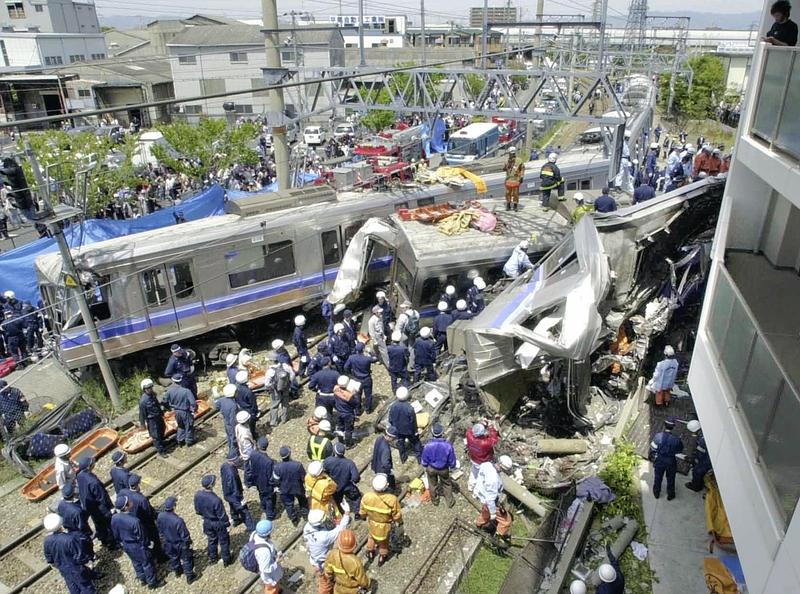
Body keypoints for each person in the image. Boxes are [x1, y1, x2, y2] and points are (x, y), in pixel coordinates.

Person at [111, 495, 160, 589]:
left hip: (126, 544)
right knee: (146, 563)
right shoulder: (135, 521)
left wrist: (121, 542)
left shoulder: (115, 518)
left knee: (135, 562)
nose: (130, 501)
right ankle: (152, 582)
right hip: (137, 546)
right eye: (128, 501)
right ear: (126, 507)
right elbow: (142, 535)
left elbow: (115, 533)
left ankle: (142, 578)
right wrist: (148, 544)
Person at [43, 513, 96, 594]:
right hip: (76, 568)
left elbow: (49, 558)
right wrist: (87, 562)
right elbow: (79, 556)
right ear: (60, 525)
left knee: (72, 586)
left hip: (63, 568)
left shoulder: (47, 541)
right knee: (86, 587)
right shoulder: (69, 539)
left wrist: (56, 564)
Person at [305, 508, 352, 594]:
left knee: (325, 580)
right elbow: (341, 529)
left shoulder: (307, 527)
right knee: (325, 584)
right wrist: (347, 513)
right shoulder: (324, 537)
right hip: (323, 564)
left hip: (314, 559)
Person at [360, 474, 403, 566]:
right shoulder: (392, 499)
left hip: (372, 522)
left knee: (371, 537)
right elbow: (396, 515)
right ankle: (382, 556)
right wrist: (399, 522)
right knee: (384, 541)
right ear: (386, 486)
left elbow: (362, 511)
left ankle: (370, 552)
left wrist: (363, 516)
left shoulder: (367, 497)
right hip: (385, 526)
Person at [76, 457, 116, 551]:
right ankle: (112, 543)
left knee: (98, 524)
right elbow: (102, 497)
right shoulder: (93, 482)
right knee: (108, 524)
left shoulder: (79, 475)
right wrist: (110, 507)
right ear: (90, 466)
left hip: (90, 506)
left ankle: (103, 540)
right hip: (100, 507)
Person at [119, 474, 162, 562]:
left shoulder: (123, 492)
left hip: (131, 522)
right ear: (137, 485)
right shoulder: (141, 499)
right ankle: (160, 557)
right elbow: (148, 513)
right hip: (145, 523)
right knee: (154, 539)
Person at [193, 474, 233, 566]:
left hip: (206, 521)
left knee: (211, 539)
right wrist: (227, 524)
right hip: (217, 523)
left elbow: (197, 510)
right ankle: (226, 559)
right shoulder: (216, 500)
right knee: (223, 541)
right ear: (211, 485)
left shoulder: (197, 495)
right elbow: (222, 515)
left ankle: (213, 558)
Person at [156, 496, 197, 584]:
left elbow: (159, 529)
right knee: (186, 559)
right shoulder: (178, 521)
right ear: (174, 507)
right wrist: (189, 543)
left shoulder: (160, 516)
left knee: (173, 557)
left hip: (168, 542)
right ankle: (190, 576)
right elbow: (185, 535)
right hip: (179, 543)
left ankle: (178, 571)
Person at [473, 455, 514, 540]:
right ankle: (498, 537)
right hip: (491, 502)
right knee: (506, 521)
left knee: (485, 514)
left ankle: (478, 525)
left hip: (483, 497)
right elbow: (490, 499)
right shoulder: (493, 480)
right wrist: (493, 514)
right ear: (501, 467)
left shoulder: (487, 464)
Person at [57, 483, 95, 565]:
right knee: (87, 546)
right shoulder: (77, 511)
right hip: (78, 532)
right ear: (73, 494)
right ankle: (90, 560)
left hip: (69, 529)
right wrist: (89, 534)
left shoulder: (61, 504)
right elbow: (82, 525)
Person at [421, 423, 456, 507]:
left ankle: (435, 501)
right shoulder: (448, 446)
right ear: (442, 433)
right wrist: (452, 466)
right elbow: (452, 461)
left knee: (432, 484)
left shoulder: (428, 446)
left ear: (432, 433)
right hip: (443, 468)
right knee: (447, 484)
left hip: (431, 468)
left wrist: (426, 465)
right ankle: (450, 502)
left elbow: (424, 461)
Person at [271, 446, 308, 526]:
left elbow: (276, 480)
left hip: (285, 490)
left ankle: (294, 520)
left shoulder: (277, 467)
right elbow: (304, 477)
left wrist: (279, 486)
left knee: (289, 505)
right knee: (302, 501)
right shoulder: (298, 465)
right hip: (298, 488)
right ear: (289, 454)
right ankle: (305, 516)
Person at [650, 417, 684, 500]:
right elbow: (679, 450)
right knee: (671, 478)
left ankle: (656, 493)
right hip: (671, 462)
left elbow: (653, 448)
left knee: (658, 477)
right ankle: (670, 495)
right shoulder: (676, 440)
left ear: (664, 425)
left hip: (659, 460)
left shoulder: (658, 436)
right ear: (673, 427)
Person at [324, 442, 362, 515]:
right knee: (356, 497)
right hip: (347, 486)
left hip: (335, 487)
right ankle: (357, 514)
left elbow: (325, 471)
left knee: (338, 501)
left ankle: (342, 514)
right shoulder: (349, 463)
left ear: (334, 452)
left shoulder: (328, 461)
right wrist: (353, 481)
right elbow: (356, 477)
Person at [220, 454, 255, 531]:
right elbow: (234, 488)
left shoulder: (224, 466)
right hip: (235, 496)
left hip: (227, 493)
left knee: (232, 506)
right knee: (244, 511)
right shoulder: (231, 474)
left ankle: (235, 519)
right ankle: (252, 528)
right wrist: (240, 499)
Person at [245, 437, 277, 520]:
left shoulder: (253, 454)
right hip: (266, 484)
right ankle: (270, 515)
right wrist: (274, 485)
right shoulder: (269, 462)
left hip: (257, 480)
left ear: (258, 445)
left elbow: (250, 468)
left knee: (261, 495)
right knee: (269, 498)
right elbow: (270, 476)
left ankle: (263, 507)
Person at [388, 387, 421, 464]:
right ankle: (419, 458)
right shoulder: (409, 408)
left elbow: (390, 419)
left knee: (401, 444)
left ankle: (403, 458)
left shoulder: (393, 406)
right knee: (416, 443)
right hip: (409, 430)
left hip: (398, 430)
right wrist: (415, 431)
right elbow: (413, 421)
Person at [344, 342, 378, 415]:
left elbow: (346, 367)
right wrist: (371, 352)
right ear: (363, 349)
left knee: (357, 395)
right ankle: (368, 409)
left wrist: (351, 375)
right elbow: (376, 359)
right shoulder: (367, 359)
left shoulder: (351, 358)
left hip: (356, 379)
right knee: (368, 395)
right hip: (366, 378)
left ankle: (357, 410)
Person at [164, 373, 197, 446]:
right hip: (185, 411)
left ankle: (180, 440)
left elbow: (164, 401)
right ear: (181, 381)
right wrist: (194, 410)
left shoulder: (169, 391)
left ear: (173, 381)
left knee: (180, 425)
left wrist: (169, 408)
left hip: (176, 412)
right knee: (188, 426)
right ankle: (189, 441)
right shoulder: (186, 391)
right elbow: (193, 403)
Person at [251, 520, 283, 594]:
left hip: (267, 563)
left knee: (275, 587)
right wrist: (277, 561)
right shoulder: (264, 551)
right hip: (269, 576)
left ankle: (277, 590)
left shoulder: (254, 535)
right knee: (271, 589)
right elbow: (265, 569)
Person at [466, 421, 500, 490]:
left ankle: (471, 485)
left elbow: (470, 430)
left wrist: (480, 423)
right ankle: (479, 490)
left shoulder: (469, 436)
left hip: (473, 459)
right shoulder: (485, 443)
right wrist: (491, 428)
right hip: (483, 462)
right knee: (483, 476)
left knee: (474, 472)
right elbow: (494, 440)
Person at [265, 352, 295, 427]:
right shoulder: (285, 366)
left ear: (271, 360)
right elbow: (293, 375)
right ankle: (284, 419)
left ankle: (273, 422)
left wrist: (271, 387)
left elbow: (267, 383)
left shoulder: (270, 371)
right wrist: (288, 382)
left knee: (274, 405)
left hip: (275, 390)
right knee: (285, 404)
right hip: (285, 388)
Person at [138, 379, 167, 457]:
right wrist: (142, 424)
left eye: (151, 388)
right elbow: (142, 414)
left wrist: (161, 413)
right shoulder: (143, 401)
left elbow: (157, 405)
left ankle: (162, 443)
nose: (150, 389)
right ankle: (161, 451)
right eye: (148, 388)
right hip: (152, 420)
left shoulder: (153, 395)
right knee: (156, 436)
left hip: (158, 417)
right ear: (144, 389)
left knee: (162, 429)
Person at [685, 420, 712, 492]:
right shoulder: (705, 431)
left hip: (706, 461)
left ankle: (696, 486)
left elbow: (700, 455)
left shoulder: (702, 442)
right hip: (708, 456)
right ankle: (700, 482)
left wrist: (693, 460)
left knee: (697, 472)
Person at [333, 375, 360, 446]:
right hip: (348, 414)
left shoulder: (335, 388)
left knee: (340, 428)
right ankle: (349, 444)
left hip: (339, 412)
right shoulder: (349, 396)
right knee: (348, 430)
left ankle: (340, 441)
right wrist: (355, 394)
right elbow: (356, 403)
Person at [217, 384, 240, 458]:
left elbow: (217, 406)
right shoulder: (233, 405)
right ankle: (233, 456)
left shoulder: (221, 400)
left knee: (229, 438)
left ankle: (230, 450)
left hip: (226, 423)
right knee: (234, 440)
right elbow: (233, 420)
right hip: (231, 425)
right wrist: (235, 431)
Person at [371, 425, 396, 491]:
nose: (393, 440)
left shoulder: (379, 438)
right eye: (393, 438)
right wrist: (389, 470)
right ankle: (389, 490)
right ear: (390, 437)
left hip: (376, 464)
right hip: (382, 470)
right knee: (388, 481)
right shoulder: (386, 449)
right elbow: (385, 462)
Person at [235, 370, 259, 437]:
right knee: (251, 425)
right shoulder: (248, 392)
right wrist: (255, 412)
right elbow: (253, 404)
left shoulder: (236, 388)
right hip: (248, 410)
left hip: (240, 407)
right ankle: (253, 435)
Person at [504, 147, 525, 211]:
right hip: (509, 179)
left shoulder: (519, 160)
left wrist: (521, 176)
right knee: (508, 193)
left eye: (513, 153)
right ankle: (508, 204)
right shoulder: (507, 161)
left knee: (515, 193)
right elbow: (504, 169)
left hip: (516, 179)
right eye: (510, 153)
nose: (511, 155)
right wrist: (508, 165)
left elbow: (522, 169)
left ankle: (515, 205)